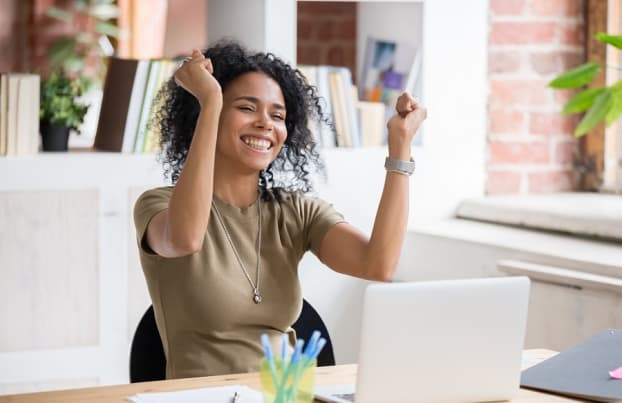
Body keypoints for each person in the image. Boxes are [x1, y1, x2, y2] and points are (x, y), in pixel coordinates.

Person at [133, 41, 426, 380]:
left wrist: (400, 147)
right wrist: (211, 100)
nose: (265, 124)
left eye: (277, 115)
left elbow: (379, 264)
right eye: (246, 108)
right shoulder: (158, 205)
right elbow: (185, 239)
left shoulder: (295, 210)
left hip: (285, 393)